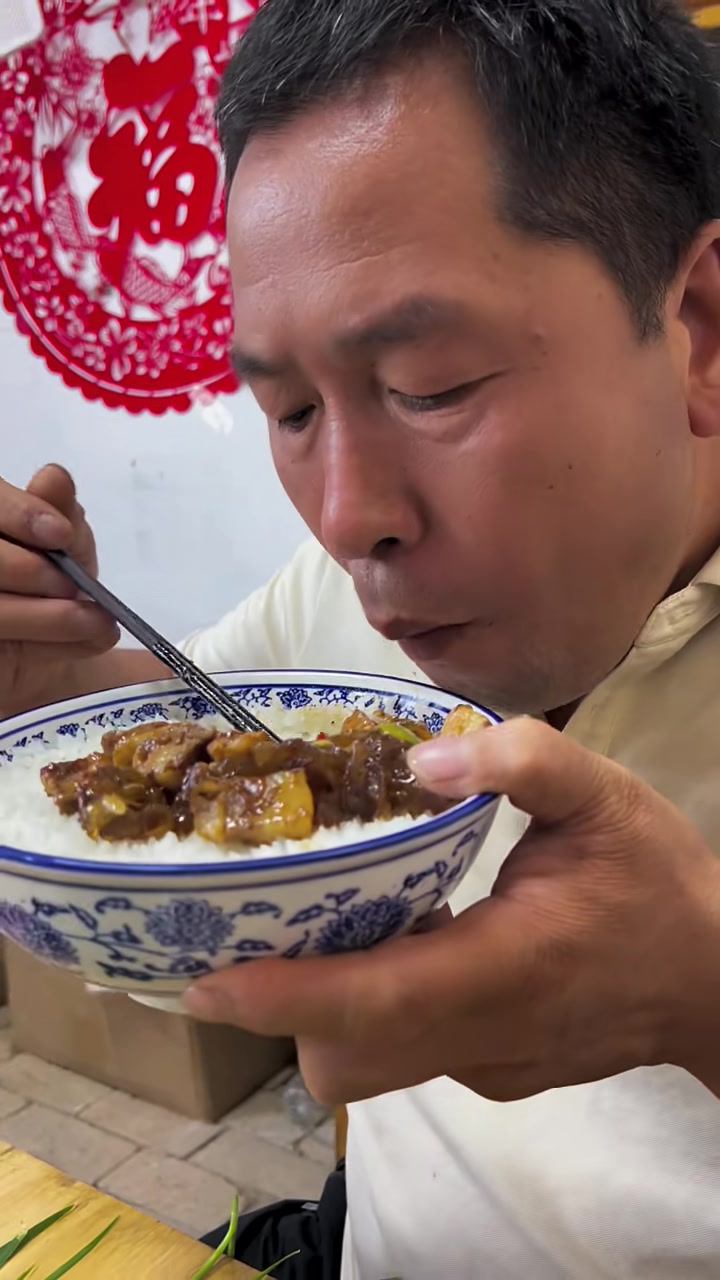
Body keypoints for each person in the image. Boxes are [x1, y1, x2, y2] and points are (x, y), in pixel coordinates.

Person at [2, 0, 720, 1275]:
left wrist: (701, 995)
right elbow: (187, 722)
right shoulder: (340, 590)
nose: (348, 518)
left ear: (702, 330)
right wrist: (42, 673)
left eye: (430, 387)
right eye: (287, 410)